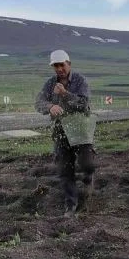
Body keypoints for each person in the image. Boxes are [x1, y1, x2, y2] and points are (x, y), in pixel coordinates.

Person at [35, 50, 95, 217]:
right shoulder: (49, 84)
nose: (59, 68)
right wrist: (50, 107)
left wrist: (64, 94)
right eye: (56, 65)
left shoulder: (80, 80)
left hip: (81, 129)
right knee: (65, 169)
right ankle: (70, 205)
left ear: (69, 63)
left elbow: (84, 104)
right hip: (60, 130)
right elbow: (38, 102)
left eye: (62, 65)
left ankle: (88, 179)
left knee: (87, 165)